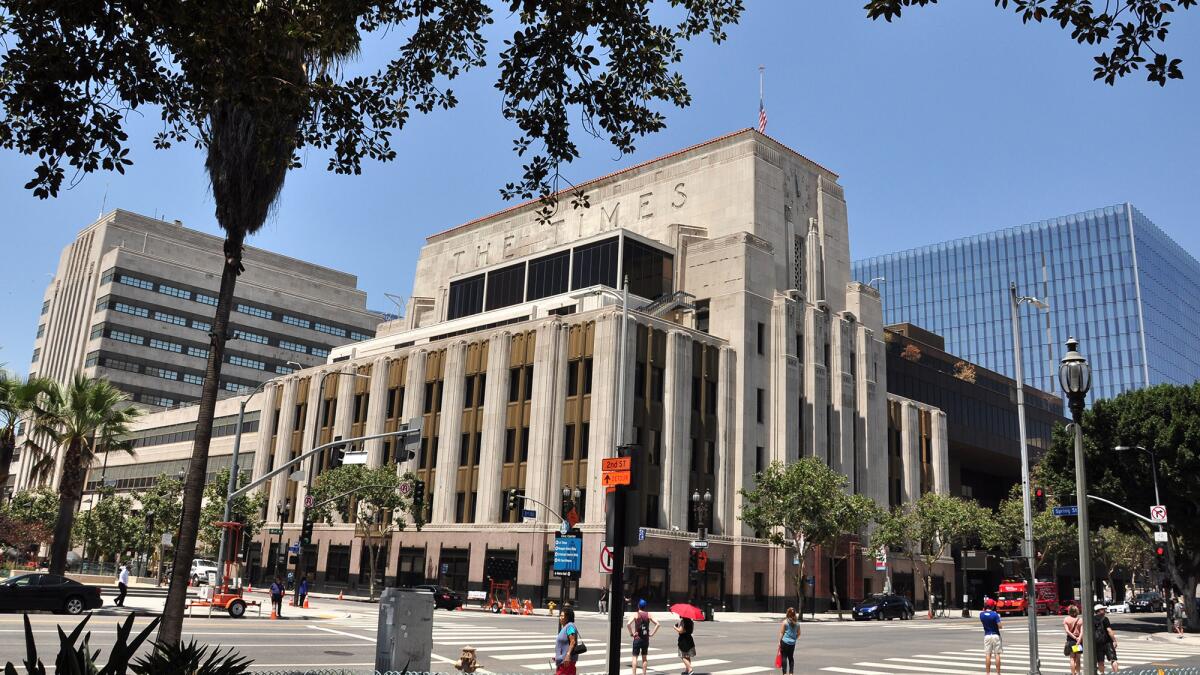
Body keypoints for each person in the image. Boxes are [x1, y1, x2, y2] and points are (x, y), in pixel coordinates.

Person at [626, 598, 659, 675]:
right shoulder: (648, 615)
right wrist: (652, 634)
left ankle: (634, 674)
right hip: (645, 639)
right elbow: (658, 624)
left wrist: (631, 634)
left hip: (637, 639)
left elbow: (628, 624)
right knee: (644, 658)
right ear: (645, 606)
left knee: (635, 657)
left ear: (638, 606)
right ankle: (644, 673)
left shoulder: (636, 614)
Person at [980, 597, 1003, 675]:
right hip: (995, 635)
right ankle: (998, 673)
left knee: (987, 654)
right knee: (997, 654)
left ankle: (988, 673)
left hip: (987, 635)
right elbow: (1000, 626)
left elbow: (984, 614)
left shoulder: (981, 615)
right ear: (993, 606)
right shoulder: (995, 615)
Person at [1094, 603, 1119, 672]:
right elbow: (1109, 630)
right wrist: (1114, 640)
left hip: (1097, 643)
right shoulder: (1105, 619)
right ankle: (1116, 673)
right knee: (1113, 659)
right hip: (1107, 642)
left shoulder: (1091, 619)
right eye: (1102, 609)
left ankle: (1102, 673)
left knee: (1100, 661)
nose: (1104, 610)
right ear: (1098, 611)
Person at [554, 607, 579, 675]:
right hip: (563, 661)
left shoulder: (570, 626)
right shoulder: (565, 627)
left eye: (562, 616)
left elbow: (572, 641)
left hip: (566, 662)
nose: (560, 618)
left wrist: (567, 655)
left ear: (567, 617)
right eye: (560, 616)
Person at [778, 607, 799, 675]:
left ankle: (784, 673)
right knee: (791, 657)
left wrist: (779, 641)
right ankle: (791, 673)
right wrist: (794, 638)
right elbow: (799, 633)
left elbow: (782, 632)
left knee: (784, 657)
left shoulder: (785, 622)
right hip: (792, 643)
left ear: (787, 613)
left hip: (785, 642)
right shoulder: (797, 624)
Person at [1063, 604, 1083, 675]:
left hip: (1070, 640)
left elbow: (1067, 631)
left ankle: (1073, 673)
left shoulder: (1066, 619)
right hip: (1078, 641)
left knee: (1072, 658)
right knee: (1078, 658)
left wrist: (1074, 638)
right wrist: (1078, 640)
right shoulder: (1080, 620)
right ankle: (1078, 673)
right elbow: (1082, 632)